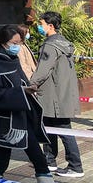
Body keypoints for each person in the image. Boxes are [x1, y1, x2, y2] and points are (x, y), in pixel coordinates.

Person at [0, 25, 53, 183]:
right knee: (4, 159)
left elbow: (20, 81)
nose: (18, 47)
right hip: (5, 119)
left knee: (30, 157)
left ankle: (44, 177)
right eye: (15, 43)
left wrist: (29, 88)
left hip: (20, 113)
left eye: (20, 42)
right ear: (3, 42)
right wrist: (22, 91)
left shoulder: (12, 59)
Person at [30, 12, 84, 178]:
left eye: (41, 23)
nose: (39, 26)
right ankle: (50, 161)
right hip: (60, 94)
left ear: (50, 26)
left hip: (52, 97)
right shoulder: (64, 43)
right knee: (49, 128)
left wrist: (31, 84)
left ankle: (75, 166)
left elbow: (43, 70)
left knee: (63, 130)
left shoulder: (50, 46)